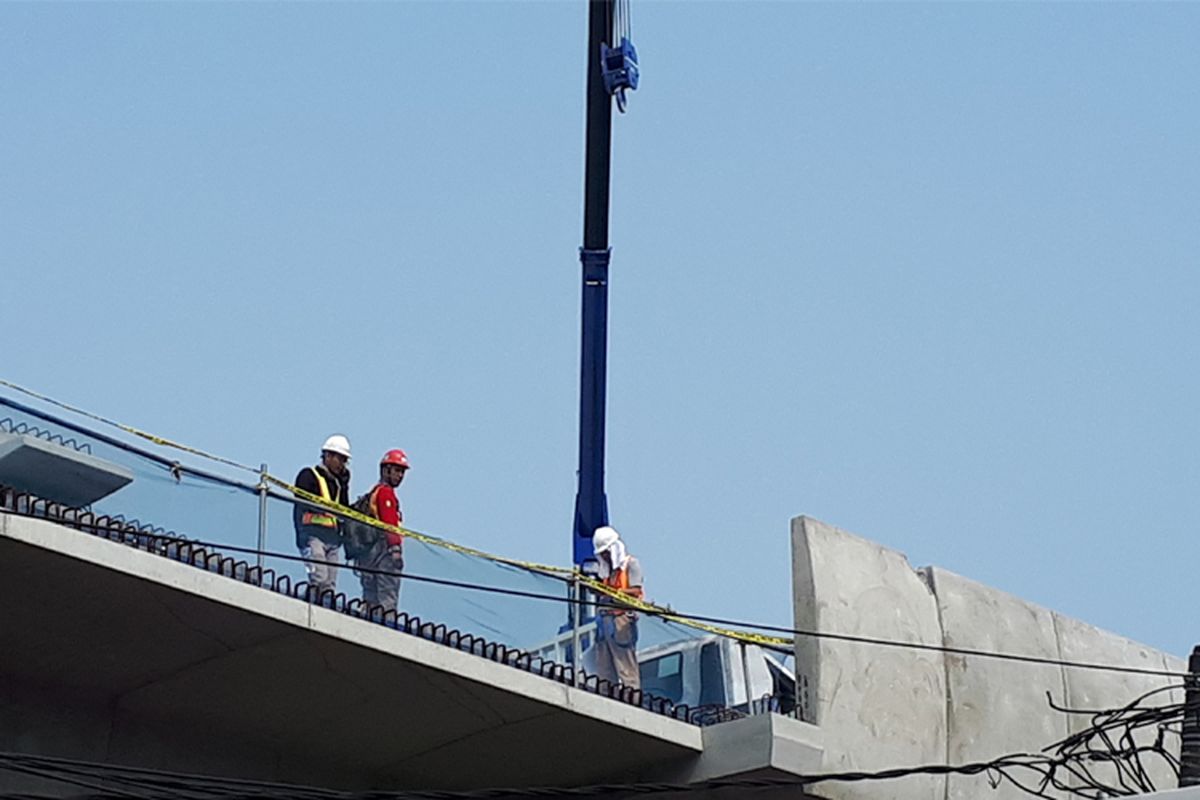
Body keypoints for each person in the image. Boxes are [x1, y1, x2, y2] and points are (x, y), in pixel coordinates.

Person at [350, 448, 409, 613]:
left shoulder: (374, 491)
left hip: (369, 556)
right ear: (385, 470)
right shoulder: (385, 493)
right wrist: (395, 550)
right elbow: (389, 523)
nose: (400, 476)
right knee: (387, 599)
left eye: (402, 472)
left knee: (370, 600)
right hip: (384, 554)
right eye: (397, 470)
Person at [293, 434, 352, 600]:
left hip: (332, 540)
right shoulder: (309, 475)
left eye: (345, 461)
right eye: (340, 459)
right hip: (313, 536)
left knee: (329, 586)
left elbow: (344, 510)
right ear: (328, 455)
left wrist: (345, 484)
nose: (342, 465)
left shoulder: (338, 484)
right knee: (319, 578)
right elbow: (302, 500)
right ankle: (310, 609)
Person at [591, 525, 644, 689]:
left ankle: (632, 700)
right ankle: (608, 698)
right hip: (604, 620)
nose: (605, 556)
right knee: (604, 669)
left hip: (621, 621)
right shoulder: (607, 573)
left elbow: (636, 590)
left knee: (625, 667)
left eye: (607, 552)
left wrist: (616, 593)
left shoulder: (631, 564)